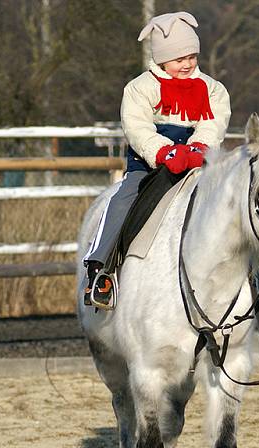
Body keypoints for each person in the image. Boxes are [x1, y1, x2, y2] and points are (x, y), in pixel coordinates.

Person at [83, 11, 231, 309]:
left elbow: (215, 121)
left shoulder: (212, 88)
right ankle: (101, 268)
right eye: (179, 59)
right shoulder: (139, 88)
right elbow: (136, 126)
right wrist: (164, 152)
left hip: (198, 160)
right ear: (162, 60)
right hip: (150, 164)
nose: (187, 63)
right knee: (124, 199)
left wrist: (199, 147)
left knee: (235, 197)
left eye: (191, 56)